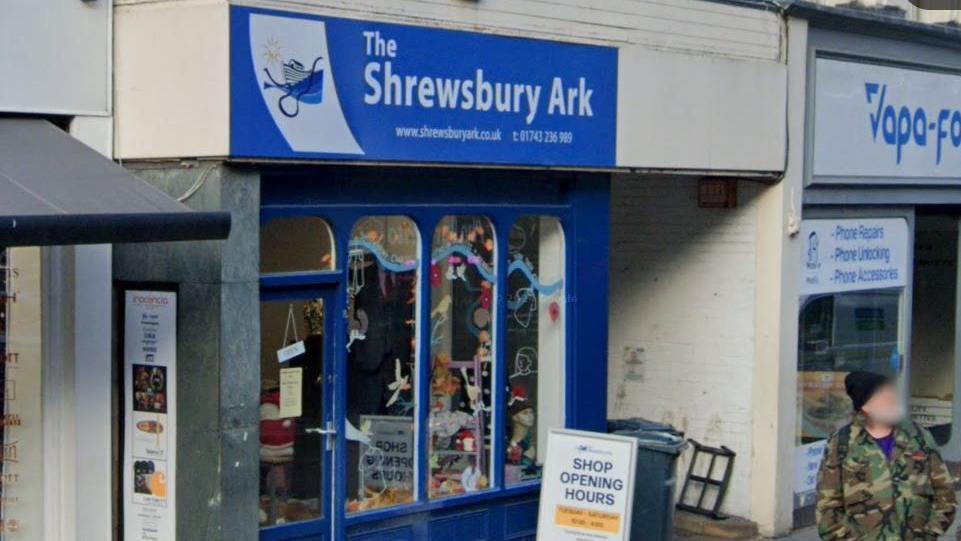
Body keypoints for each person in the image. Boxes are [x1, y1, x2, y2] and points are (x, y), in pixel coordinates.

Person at [816, 370, 956, 540]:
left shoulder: (918, 436)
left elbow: (945, 493)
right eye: (883, 396)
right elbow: (827, 507)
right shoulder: (841, 444)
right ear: (866, 406)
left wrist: (931, 532)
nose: (892, 399)